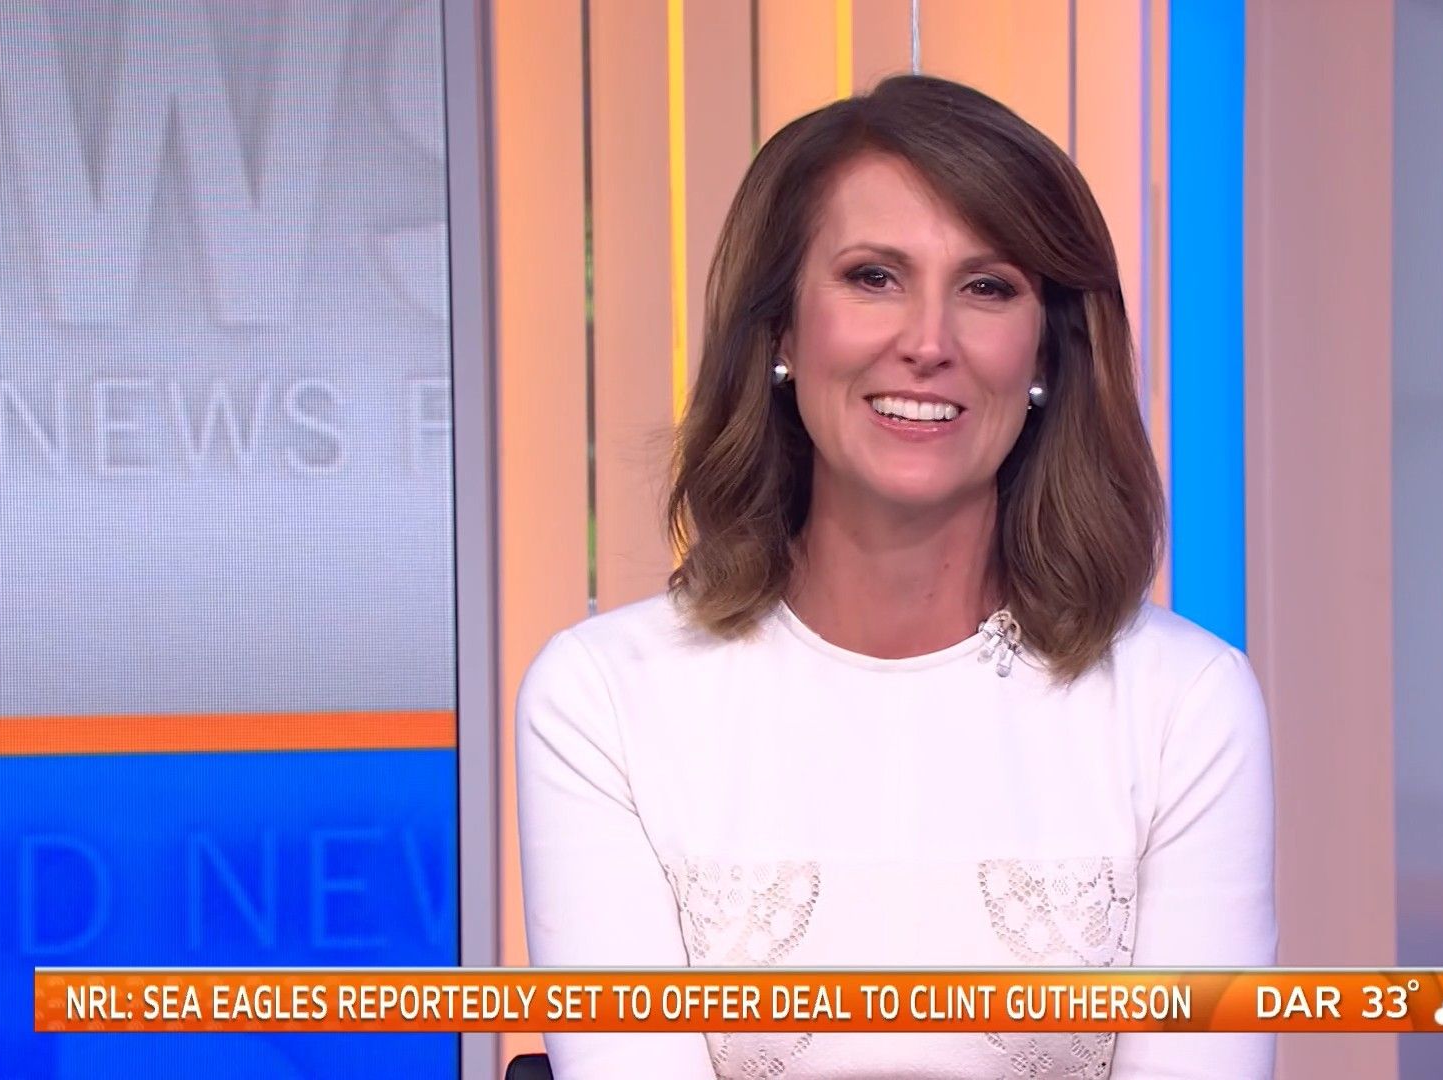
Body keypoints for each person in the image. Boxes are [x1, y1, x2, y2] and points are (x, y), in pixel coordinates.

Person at [516, 74, 1276, 1079]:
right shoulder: (601, 702)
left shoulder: (1187, 705)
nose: (927, 343)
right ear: (782, 333)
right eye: (873, 277)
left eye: (987, 287)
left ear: (1045, 353)